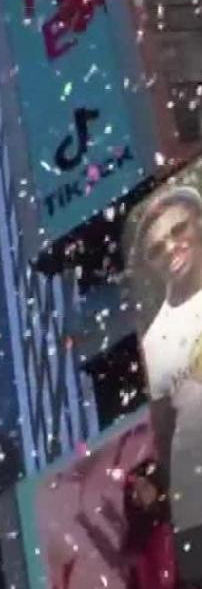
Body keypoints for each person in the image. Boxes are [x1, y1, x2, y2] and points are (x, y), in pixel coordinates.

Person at [135, 185, 202, 581]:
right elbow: (165, 432)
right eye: (157, 249)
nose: (172, 249)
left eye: (179, 231)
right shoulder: (155, 340)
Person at [122, 459, 178, 589]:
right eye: (137, 487)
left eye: (146, 487)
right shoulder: (136, 521)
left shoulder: (161, 532)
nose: (140, 492)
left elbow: (163, 579)